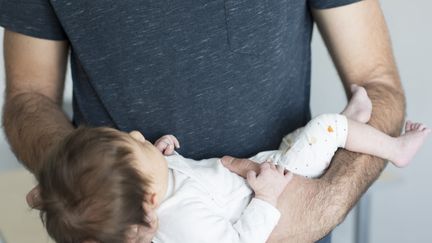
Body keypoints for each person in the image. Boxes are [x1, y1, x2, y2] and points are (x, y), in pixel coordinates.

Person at [1, 0, 407, 242]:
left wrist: (320, 207)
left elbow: (377, 83)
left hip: (287, 211)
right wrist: (82, 189)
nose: (138, 136)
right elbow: (28, 96)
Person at [36, 86, 429, 243]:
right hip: (278, 184)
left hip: (266, 163)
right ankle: (395, 149)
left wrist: (163, 154)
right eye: (137, 146)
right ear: (151, 200)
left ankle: (352, 122)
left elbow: (181, 177)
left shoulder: (152, 194)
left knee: (308, 135)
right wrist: (267, 197)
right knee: (326, 129)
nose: (139, 135)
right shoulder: (185, 222)